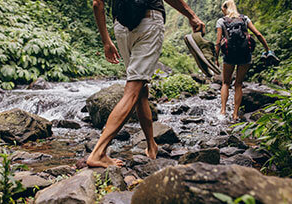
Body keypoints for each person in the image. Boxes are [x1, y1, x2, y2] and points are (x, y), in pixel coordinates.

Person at [87, 0, 205, 168]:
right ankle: (98, 153)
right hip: (149, 21)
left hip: (121, 26)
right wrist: (191, 16)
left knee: (140, 90)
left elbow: (97, 4)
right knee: (133, 91)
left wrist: (106, 41)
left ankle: (151, 145)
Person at [215, 0, 271, 121]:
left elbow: (218, 42)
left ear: (225, 8)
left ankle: (223, 111)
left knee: (225, 83)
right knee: (238, 84)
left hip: (229, 56)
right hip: (245, 55)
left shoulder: (221, 21)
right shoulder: (244, 19)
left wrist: (215, 58)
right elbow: (258, 34)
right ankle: (235, 114)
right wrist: (268, 50)